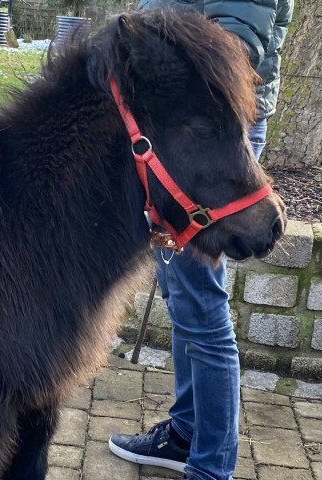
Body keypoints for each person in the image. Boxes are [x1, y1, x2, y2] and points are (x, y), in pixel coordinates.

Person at [108, 1, 294, 479]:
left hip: (206, 133)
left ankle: (211, 467)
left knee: (202, 311)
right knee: (184, 299)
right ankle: (187, 434)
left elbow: (235, 45)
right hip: (186, 128)